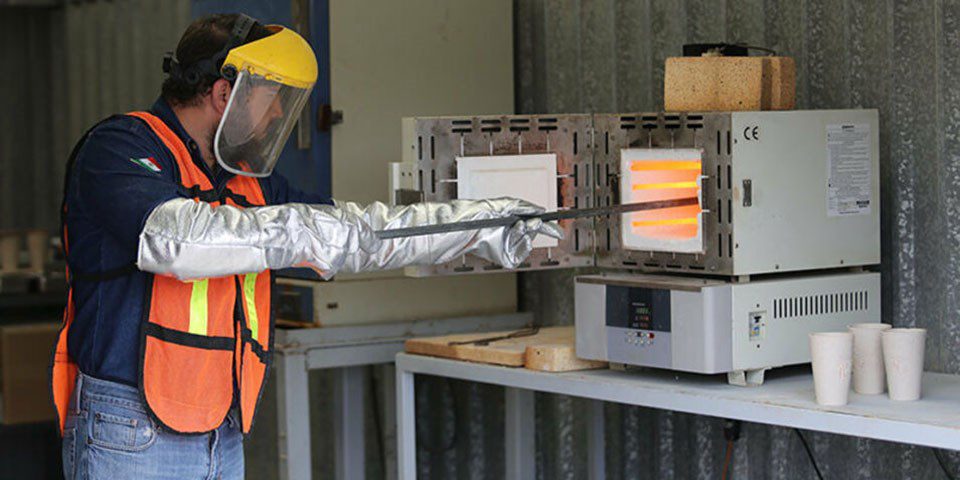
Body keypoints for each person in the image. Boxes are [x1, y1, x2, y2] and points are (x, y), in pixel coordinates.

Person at [52, 13, 560, 479]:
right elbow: (177, 241)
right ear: (225, 94)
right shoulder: (119, 149)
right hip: (129, 429)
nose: (278, 113)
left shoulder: (248, 185)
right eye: (270, 94)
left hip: (220, 429)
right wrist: (303, 231)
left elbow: (356, 235)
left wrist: (482, 224)